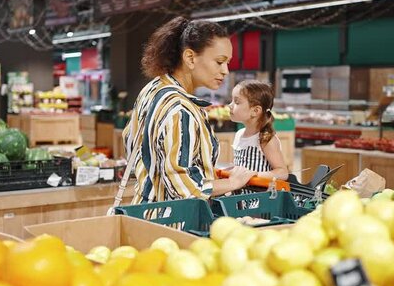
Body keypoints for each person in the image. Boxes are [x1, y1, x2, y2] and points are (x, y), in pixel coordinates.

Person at [123, 16, 256, 204]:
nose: (226, 70)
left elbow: (134, 147)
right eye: (219, 62)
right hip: (173, 222)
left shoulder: (152, 89)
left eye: (228, 62)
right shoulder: (180, 109)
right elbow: (186, 188)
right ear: (190, 58)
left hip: (143, 210)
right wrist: (234, 182)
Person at [229, 80, 289, 181]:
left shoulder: (266, 139)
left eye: (237, 102)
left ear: (255, 111)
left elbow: (282, 172)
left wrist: (255, 175)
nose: (230, 105)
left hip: (258, 196)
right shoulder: (239, 134)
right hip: (239, 194)